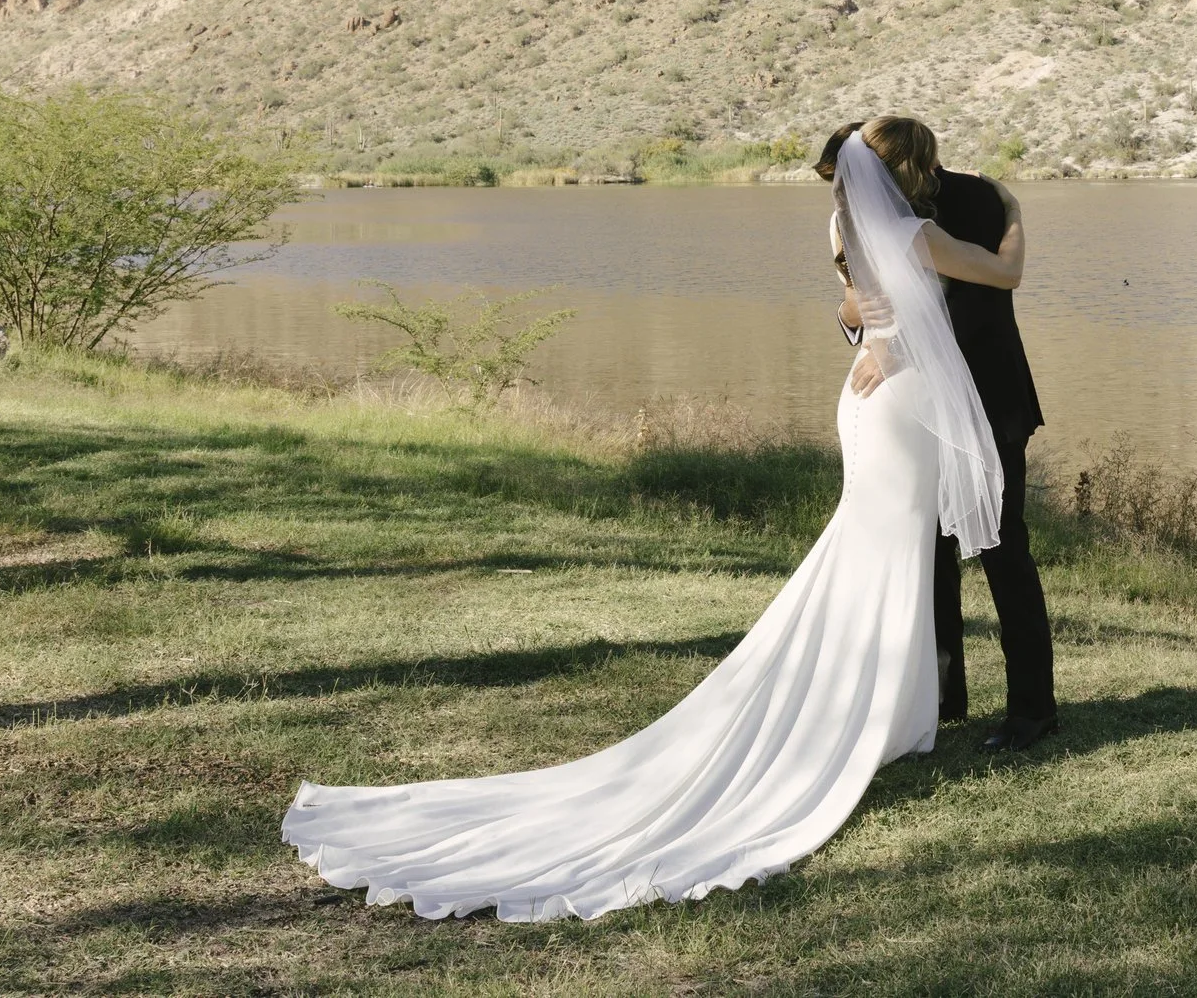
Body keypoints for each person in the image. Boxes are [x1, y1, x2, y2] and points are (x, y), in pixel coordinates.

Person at [279, 127, 1008, 921]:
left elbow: (856, 306)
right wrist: (1011, 210)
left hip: (867, 400)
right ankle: (878, 717)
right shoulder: (919, 234)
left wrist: (874, 328)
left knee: (877, 552)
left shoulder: (846, 229)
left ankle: (892, 712)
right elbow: (1004, 272)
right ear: (913, 170)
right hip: (898, 406)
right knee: (886, 553)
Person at [818, 118, 1055, 751]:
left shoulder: (975, 198)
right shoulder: (859, 214)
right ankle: (941, 695)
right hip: (911, 405)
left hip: (989, 399)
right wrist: (855, 318)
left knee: (1003, 547)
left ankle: (1032, 709)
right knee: (925, 548)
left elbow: (986, 297)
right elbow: (858, 301)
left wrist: (899, 347)